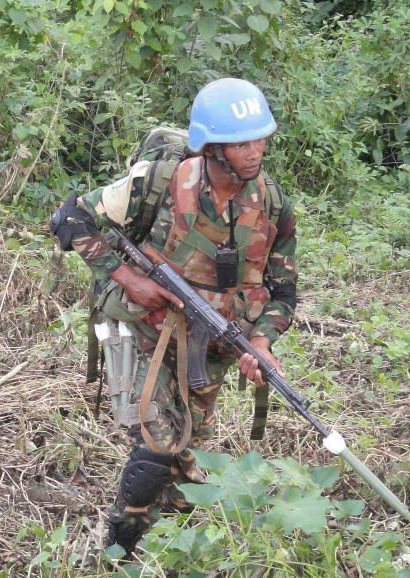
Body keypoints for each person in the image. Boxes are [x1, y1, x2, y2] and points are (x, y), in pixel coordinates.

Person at [51, 78, 297, 555]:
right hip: (145, 331)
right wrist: (127, 277)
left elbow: (283, 291)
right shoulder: (160, 182)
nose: (254, 151)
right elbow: (70, 219)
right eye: (240, 142)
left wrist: (262, 342)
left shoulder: (272, 203)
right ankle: (119, 551)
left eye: (260, 139)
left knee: (188, 459)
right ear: (212, 148)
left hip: (213, 345)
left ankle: (171, 554)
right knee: (157, 447)